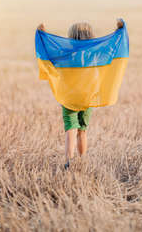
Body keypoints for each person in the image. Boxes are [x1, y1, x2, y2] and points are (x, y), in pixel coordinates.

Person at [37, 20, 124, 170]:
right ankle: (83, 159)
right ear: (91, 36)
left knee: (71, 129)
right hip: (87, 97)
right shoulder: (94, 54)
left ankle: (68, 162)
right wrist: (119, 30)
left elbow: (51, 53)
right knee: (82, 131)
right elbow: (111, 49)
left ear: (71, 37)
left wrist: (43, 34)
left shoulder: (66, 53)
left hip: (69, 97)